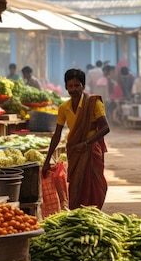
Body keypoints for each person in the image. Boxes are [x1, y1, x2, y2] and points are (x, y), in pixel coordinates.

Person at [42, 68, 110, 210]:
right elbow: (57, 134)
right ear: (66, 87)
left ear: (83, 86)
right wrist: (47, 160)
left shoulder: (93, 103)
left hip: (91, 150)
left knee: (94, 185)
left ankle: (94, 213)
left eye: (77, 85)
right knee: (75, 185)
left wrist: (87, 143)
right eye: (70, 86)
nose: (73, 89)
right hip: (75, 151)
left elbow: (105, 128)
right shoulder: (63, 108)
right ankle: (78, 214)